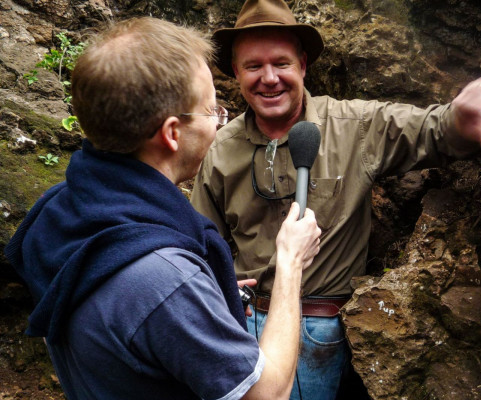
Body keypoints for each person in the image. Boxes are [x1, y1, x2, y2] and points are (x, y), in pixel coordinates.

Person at [190, 0, 481, 398]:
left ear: (303, 66)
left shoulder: (356, 126)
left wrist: (462, 120)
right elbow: (198, 243)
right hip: (240, 323)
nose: (269, 78)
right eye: (253, 66)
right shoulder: (220, 147)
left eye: (281, 63)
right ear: (235, 73)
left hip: (322, 329)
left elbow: (431, 130)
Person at [4, 16, 322, 400]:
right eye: (212, 111)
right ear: (172, 134)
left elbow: (122, 318)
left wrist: (199, 295)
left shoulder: (57, 208)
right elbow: (267, 393)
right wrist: (289, 262)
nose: (218, 123)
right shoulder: (165, 282)